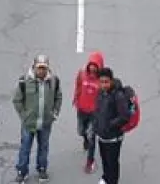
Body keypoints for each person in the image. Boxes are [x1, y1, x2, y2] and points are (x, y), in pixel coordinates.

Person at [12, 54, 62, 182]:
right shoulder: (24, 81)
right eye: (39, 68)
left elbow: (58, 97)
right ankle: (22, 172)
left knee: (43, 147)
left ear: (47, 68)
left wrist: (54, 113)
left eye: (44, 68)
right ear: (34, 67)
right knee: (25, 148)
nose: (41, 71)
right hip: (29, 123)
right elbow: (17, 100)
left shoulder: (54, 81)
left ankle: (42, 169)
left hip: (45, 123)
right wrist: (24, 116)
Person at [94, 67, 131, 184]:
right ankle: (106, 178)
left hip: (113, 137)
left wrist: (109, 125)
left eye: (106, 82)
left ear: (111, 80)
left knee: (112, 162)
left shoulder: (118, 95)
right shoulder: (100, 92)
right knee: (104, 160)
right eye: (101, 82)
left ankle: (112, 181)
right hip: (102, 135)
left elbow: (125, 116)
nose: (103, 85)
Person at [73, 51, 104, 175]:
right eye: (91, 65)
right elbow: (78, 87)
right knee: (81, 131)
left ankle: (90, 161)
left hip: (94, 114)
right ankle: (84, 138)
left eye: (95, 66)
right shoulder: (81, 74)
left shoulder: (102, 80)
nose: (92, 68)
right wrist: (76, 99)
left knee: (92, 137)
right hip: (81, 110)